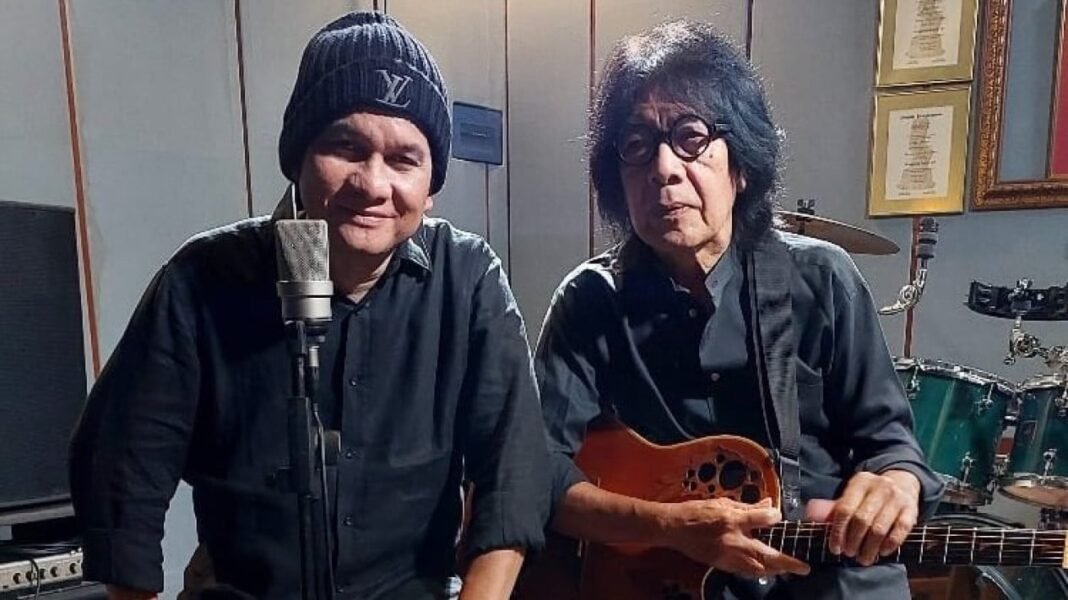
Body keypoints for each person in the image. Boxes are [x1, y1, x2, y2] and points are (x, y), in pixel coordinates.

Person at [69, 11, 548, 600]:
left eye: (404, 160)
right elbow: (121, 471)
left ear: (431, 186)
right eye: (346, 147)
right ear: (297, 158)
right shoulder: (203, 278)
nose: (372, 184)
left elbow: (513, 475)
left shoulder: (469, 280)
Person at [532, 19, 943, 599]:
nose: (664, 168)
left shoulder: (823, 279)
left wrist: (897, 483)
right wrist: (670, 527)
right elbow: (537, 474)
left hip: (827, 581)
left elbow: (890, 443)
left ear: (741, 165)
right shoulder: (589, 301)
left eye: (691, 137)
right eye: (637, 146)